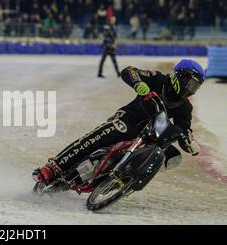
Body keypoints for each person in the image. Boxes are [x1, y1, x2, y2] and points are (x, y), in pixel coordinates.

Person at [33, 59, 205, 187]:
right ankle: (53, 167)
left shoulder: (184, 107)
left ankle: (122, 183)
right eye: (190, 84)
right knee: (100, 135)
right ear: (179, 77)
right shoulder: (158, 79)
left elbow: (183, 129)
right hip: (129, 119)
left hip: (149, 137)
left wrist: (188, 142)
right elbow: (129, 71)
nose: (191, 90)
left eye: (195, 87)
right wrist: (138, 84)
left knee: (172, 157)